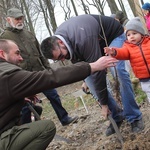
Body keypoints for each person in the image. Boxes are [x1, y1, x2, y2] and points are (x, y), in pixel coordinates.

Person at [0, 39, 117, 149]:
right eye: (17, 53)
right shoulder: (8, 75)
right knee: (46, 128)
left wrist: (17, 99)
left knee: (37, 109)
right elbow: (50, 77)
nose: (21, 58)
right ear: (2, 54)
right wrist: (91, 66)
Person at [40, 14, 144, 136]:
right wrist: (85, 79)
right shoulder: (63, 39)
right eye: (59, 59)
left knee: (118, 71)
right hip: (95, 45)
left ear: (60, 43)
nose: (63, 60)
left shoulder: (83, 38)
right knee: (90, 82)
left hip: (112, 36)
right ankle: (117, 115)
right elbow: (80, 62)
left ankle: (134, 116)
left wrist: (103, 104)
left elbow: (99, 72)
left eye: (61, 56)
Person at [0, 7, 78, 126]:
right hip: (23, 77)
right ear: (9, 20)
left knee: (53, 95)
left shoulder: (29, 34)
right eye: (17, 19)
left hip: (39, 72)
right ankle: (26, 128)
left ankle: (64, 118)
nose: (20, 21)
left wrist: (47, 68)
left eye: (21, 18)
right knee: (26, 105)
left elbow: (40, 53)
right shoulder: (5, 37)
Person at [105, 17, 150, 105]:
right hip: (143, 77)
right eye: (128, 35)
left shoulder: (148, 42)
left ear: (141, 33)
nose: (131, 36)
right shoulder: (128, 47)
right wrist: (114, 51)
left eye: (134, 33)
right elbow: (122, 53)